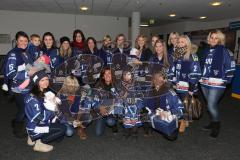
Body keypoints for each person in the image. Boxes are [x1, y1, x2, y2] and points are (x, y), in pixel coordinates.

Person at [200, 30, 235, 138]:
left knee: (211, 105)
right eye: (212, 37)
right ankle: (212, 122)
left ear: (219, 40)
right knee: (211, 105)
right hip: (204, 82)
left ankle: (216, 126)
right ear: (209, 39)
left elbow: (231, 66)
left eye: (216, 38)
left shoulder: (224, 51)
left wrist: (227, 81)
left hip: (217, 82)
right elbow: (201, 65)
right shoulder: (205, 50)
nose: (213, 40)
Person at [25, 70, 67, 152]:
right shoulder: (32, 98)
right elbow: (38, 117)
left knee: (59, 137)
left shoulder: (43, 92)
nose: (46, 82)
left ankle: (32, 138)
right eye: (42, 80)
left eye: (47, 79)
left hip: (38, 123)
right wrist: (53, 110)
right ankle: (39, 143)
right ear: (36, 82)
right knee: (62, 129)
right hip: (35, 127)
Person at [4, 31, 34, 138]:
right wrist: (27, 73)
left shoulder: (26, 53)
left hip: (28, 87)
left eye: (25, 41)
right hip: (18, 88)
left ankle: (23, 125)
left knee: (27, 108)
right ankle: (17, 128)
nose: (24, 43)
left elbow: (31, 66)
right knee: (24, 109)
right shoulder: (14, 53)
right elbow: (10, 73)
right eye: (21, 40)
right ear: (16, 41)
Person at [144, 71, 184, 140]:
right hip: (154, 113)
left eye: (160, 82)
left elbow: (181, 109)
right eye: (156, 80)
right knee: (141, 113)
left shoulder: (170, 93)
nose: (158, 84)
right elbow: (144, 103)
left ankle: (175, 125)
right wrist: (150, 112)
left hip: (167, 114)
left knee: (171, 137)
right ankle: (150, 127)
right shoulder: (148, 90)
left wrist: (169, 113)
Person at [173, 35, 201, 133]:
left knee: (185, 105)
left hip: (188, 86)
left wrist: (191, 89)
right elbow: (174, 70)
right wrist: (174, 81)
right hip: (178, 85)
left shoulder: (193, 56)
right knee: (180, 104)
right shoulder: (177, 54)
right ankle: (186, 120)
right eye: (179, 42)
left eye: (183, 42)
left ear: (188, 43)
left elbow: (196, 73)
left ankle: (183, 122)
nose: (180, 44)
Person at [95, 67, 119, 136]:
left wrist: (111, 108)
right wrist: (100, 107)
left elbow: (120, 100)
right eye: (105, 74)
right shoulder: (97, 86)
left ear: (112, 75)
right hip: (101, 111)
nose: (107, 75)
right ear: (103, 76)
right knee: (98, 133)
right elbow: (93, 101)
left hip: (112, 110)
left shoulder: (117, 85)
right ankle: (104, 120)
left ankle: (113, 123)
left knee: (110, 122)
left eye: (109, 73)